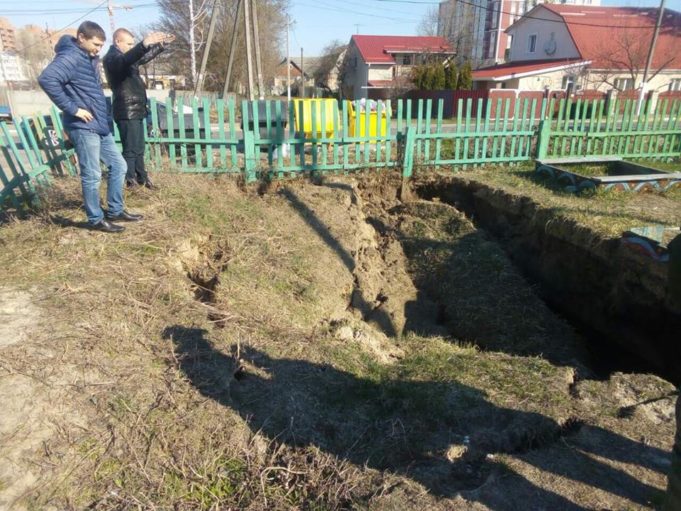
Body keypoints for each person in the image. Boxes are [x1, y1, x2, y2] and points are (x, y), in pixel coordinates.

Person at [38, 21, 142, 233]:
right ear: (81, 38)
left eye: (101, 46)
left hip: (98, 124)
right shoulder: (71, 56)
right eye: (95, 44)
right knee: (92, 174)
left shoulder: (88, 57)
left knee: (119, 166)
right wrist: (73, 109)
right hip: (83, 126)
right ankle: (95, 219)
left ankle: (115, 210)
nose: (98, 49)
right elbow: (47, 79)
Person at [103, 28, 174, 189]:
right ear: (117, 41)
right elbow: (128, 59)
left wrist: (160, 45)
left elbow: (141, 58)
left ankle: (142, 177)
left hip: (136, 108)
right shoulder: (112, 59)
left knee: (139, 147)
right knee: (130, 149)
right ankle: (130, 180)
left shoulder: (126, 58)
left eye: (133, 44)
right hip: (126, 110)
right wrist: (143, 44)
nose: (131, 46)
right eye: (129, 43)